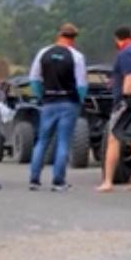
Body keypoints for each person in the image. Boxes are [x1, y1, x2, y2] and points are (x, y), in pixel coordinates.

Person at [28, 23, 88, 192]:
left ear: (59, 35)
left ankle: (34, 179)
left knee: (42, 141)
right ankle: (58, 181)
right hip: (68, 102)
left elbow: (34, 79)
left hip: (49, 102)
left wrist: (42, 95)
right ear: (73, 38)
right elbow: (81, 84)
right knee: (63, 141)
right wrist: (79, 100)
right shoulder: (77, 56)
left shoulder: (43, 53)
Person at [96, 26, 131, 192]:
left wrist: (125, 100)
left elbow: (130, 77)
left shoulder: (125, 54)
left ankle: (108, 181)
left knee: (113, 139)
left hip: (126, 102)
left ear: (116, 38)